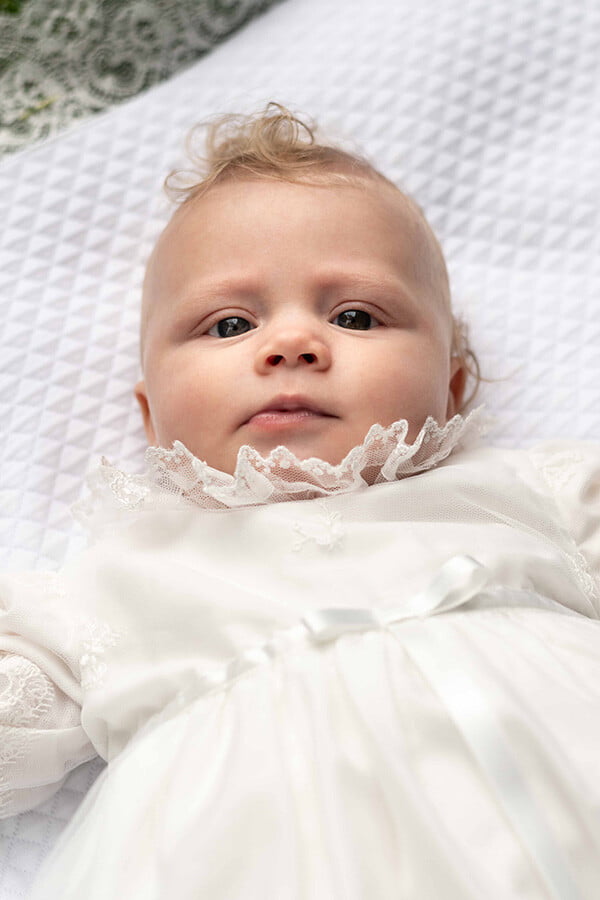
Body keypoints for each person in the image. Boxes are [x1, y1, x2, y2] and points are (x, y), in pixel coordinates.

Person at [1, 103, 599, 900]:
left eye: (354, 315)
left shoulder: (534, 494)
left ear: (452, 388)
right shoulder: (114, 580)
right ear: (151, 416)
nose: (291, 345)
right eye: (228, 325)